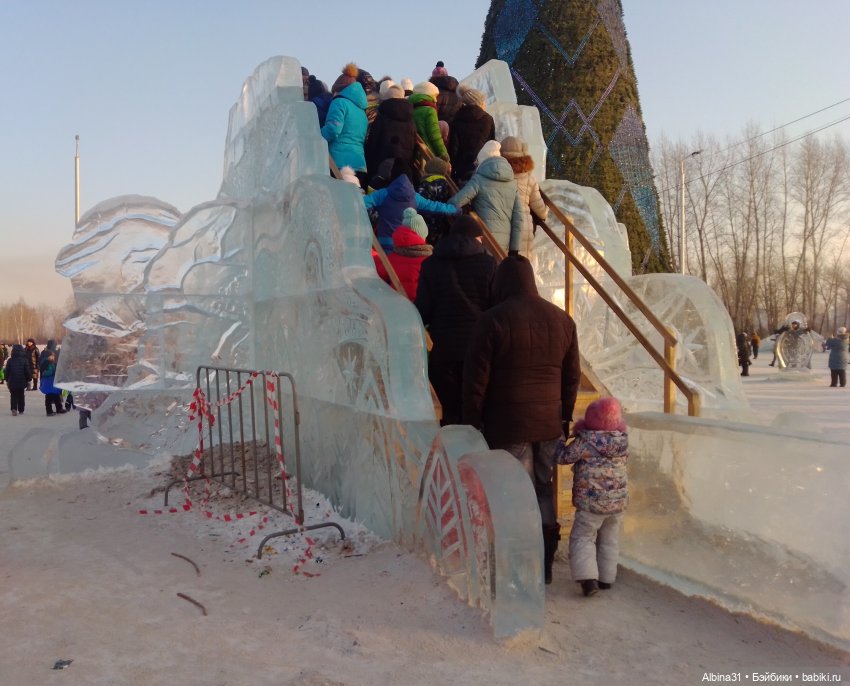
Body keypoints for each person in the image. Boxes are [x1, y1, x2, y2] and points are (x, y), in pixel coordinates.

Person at [463, 255, 581, 584]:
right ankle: (543, 565)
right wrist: (564, 417)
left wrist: (473, 422)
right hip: (548, 425)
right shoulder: (562, 320)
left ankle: (517, 566)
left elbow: (476, 381)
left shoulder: (491, 320)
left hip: (507, 425)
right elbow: (572, 378)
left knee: (514, 494)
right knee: (543, 490)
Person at [415, 216, 497, 426]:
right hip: (480, 349)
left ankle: (451, 455)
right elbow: (495, 306)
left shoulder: (431, 264)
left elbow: (422, 310)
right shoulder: (489, 264)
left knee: (449, 413)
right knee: (476, 410)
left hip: (444, 349)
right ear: (476, 238)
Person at [555, 396, 628, 597]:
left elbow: (562, 457)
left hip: (591, 504)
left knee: (583, 538)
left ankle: (588, 579)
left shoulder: (585, 442)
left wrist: (561, 439)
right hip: (617, 504)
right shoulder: (622, 441)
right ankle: (606, 579)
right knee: (609, 540)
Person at [449, 141, 525, 255]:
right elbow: (518, 218)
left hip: (482, 237)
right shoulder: (512, 184)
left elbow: (456, 202)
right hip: (503, 243)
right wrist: (514, 249)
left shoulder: (479, 179)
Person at [363, 166, 458, 253]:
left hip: (384, 241)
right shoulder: (415, 197)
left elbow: (362, 202)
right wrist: (454, 210)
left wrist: (376, 215)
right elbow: (434, 206)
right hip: (406, 245)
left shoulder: (383, 194)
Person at [321, 63, 369, 186]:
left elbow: (333, 129)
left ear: (338, 90)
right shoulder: (361, 110)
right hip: (359, 163)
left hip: (339, 163)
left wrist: (317, 137)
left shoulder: (339, 102)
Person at [499, 135, 548, 256]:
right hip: (522, 228)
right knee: (521, 269)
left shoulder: (495, 174)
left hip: (500, 227)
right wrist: (545, 211)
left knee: (501, 268)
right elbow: (540, 209)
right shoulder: (528, 178)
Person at [374, 209, 433, 300]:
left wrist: (375, 255)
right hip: (421, 307)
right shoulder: (430, 260)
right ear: (422, 236)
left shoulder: (391, 258)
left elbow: (379, 272)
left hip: (398, 305)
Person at [364, 84, 416, 186]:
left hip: (380, 168)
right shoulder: (411, 121)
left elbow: (372, 144)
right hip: (403, 168)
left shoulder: (381, 118)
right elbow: (414, 146)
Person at [447, 88, 495, 186]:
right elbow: (492, 143)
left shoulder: (456, 120)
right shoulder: (488, 119)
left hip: (463, 170)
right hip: (484, 167)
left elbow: (454, 149)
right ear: (479, 102)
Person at [416, 157, 454, 244]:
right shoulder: (445, 184)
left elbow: (420, 203)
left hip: (428, 222)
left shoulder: (427, 184)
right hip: (441, 222)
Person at [408, 81, 449, 162]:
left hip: (413, 153)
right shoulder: (429, 110)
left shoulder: (409, 108)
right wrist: (444, 155)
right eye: (435, 96)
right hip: (427, 154)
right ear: (429, 95)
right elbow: (435, 136)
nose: (436, 100)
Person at [38, 339, 66, 416]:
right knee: (49, 397)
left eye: (53, 356)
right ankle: (49, 411)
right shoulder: (46, 363)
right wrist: (52, 372)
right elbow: (44, 372)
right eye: (52, 356)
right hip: (48, 381)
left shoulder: (52, 363)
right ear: (48, 357)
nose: (53, 357)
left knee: (56, 395)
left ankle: (59, 408)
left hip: (53, 381)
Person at [4, 344, 32, 416]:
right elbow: (27, 371)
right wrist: (29, 379)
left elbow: (7, 371)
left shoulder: (10, 360)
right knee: (21, 395)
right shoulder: (24, 360)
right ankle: (21, 409)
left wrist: (6, 379)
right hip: (21, 381)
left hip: (12, 381)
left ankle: (14, 409)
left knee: (13, 395)